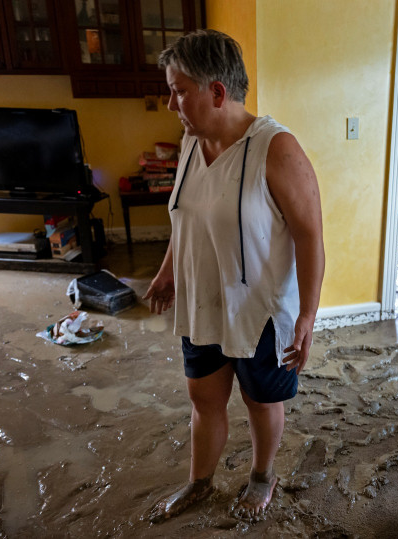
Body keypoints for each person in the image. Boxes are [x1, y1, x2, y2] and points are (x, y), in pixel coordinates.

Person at [143, 29, 325, 522]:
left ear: (217, 92)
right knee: (204, 397)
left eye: (179, 90)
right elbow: (188, 215)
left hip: (258, 311)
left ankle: (261, 477)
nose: (171, 103)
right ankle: (199, 482)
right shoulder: (190, 139)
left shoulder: (275, 147)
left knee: (259, 399)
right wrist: (166, 272)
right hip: (202, 300)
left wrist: (307, 316)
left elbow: (310, 236)